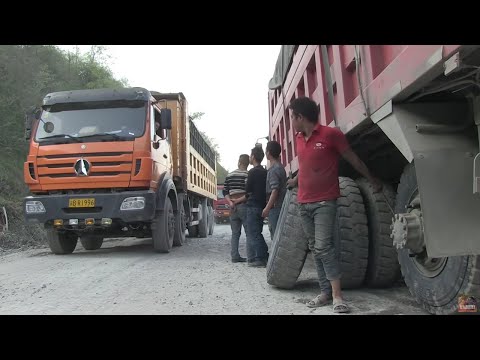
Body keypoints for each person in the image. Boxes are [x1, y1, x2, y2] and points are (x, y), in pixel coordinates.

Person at [286, 96, 382, 313]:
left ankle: (338, 296)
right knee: (315, 247)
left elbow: (352, 158)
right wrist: (294, 181)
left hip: (324, 202)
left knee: (323, 247)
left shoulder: (331, 135)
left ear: (301, 117)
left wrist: (371, 178)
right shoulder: (300, 138)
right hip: (304, 202)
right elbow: (305, 165)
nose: (292, 121)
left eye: (293, 117)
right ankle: (325, 293)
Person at [233, 146, 268, 267]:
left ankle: (261, 258)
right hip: (262, 205)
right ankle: (263, 256)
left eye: (251, 155)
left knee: (254, 233)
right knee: (258, 232)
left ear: (253, 157)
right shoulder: (265, 171)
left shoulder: (252, 172)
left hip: (252, 206)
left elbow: (248, 192)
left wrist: (236, 201)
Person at [223, 154, 250, 263]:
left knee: (235, 233)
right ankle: (251, 256)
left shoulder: (230, 175)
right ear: (248, 163)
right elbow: (248, 193)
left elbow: (225, 191)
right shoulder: (248, 175)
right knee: (249, 232)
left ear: (239, 162)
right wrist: (239, 200)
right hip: (244, 205)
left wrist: (230, 202)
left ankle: (235, 256)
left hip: (232, 207)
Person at [262, 140, 287, 239]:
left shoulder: (273, 170)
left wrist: (267, 208)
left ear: (268, 153)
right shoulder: (280, 167)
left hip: (275, 208)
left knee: (276, 236)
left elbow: (274, 190)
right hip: (279, 206)